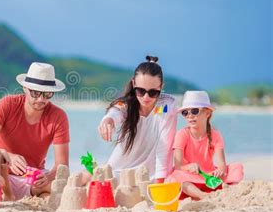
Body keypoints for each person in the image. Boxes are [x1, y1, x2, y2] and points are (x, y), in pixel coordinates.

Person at [0, 62, 70, 200]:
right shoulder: (7, 105)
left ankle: (40, 194)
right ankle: (36, 194)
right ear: (25, 88)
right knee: (56, 191)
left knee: (62, 186)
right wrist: (8, 156)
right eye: (35, 93)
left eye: (47, 94)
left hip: (34, 179)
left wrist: (47, 176)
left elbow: (62, 166)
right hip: (2, 176)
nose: (41, 99)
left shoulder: (58, 116)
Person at [94, 55, 177, 183]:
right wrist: (108, 120)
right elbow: (116, 112)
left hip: (154, 171)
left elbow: (163, 146)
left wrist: (160, 184)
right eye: (140, 91)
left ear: (161, 86)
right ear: (134, 84)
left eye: (153, 92)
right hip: (122, 165)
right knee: (98, 177)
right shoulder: (128, 104)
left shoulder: (166, 106)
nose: (146, 97)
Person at [166, 91, 244, 199]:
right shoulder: (182, 134)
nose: (190, 116)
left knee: (237, 168)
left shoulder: (215, 135)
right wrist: (189, 167)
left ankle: (218, 190)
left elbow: (221, 163)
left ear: (207, 113)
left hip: (209, 177)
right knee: (175, 176)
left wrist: (220, 171)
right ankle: (203, 196)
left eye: (194, 111)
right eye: (185, 112)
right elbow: (179, 166)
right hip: (189, 179)